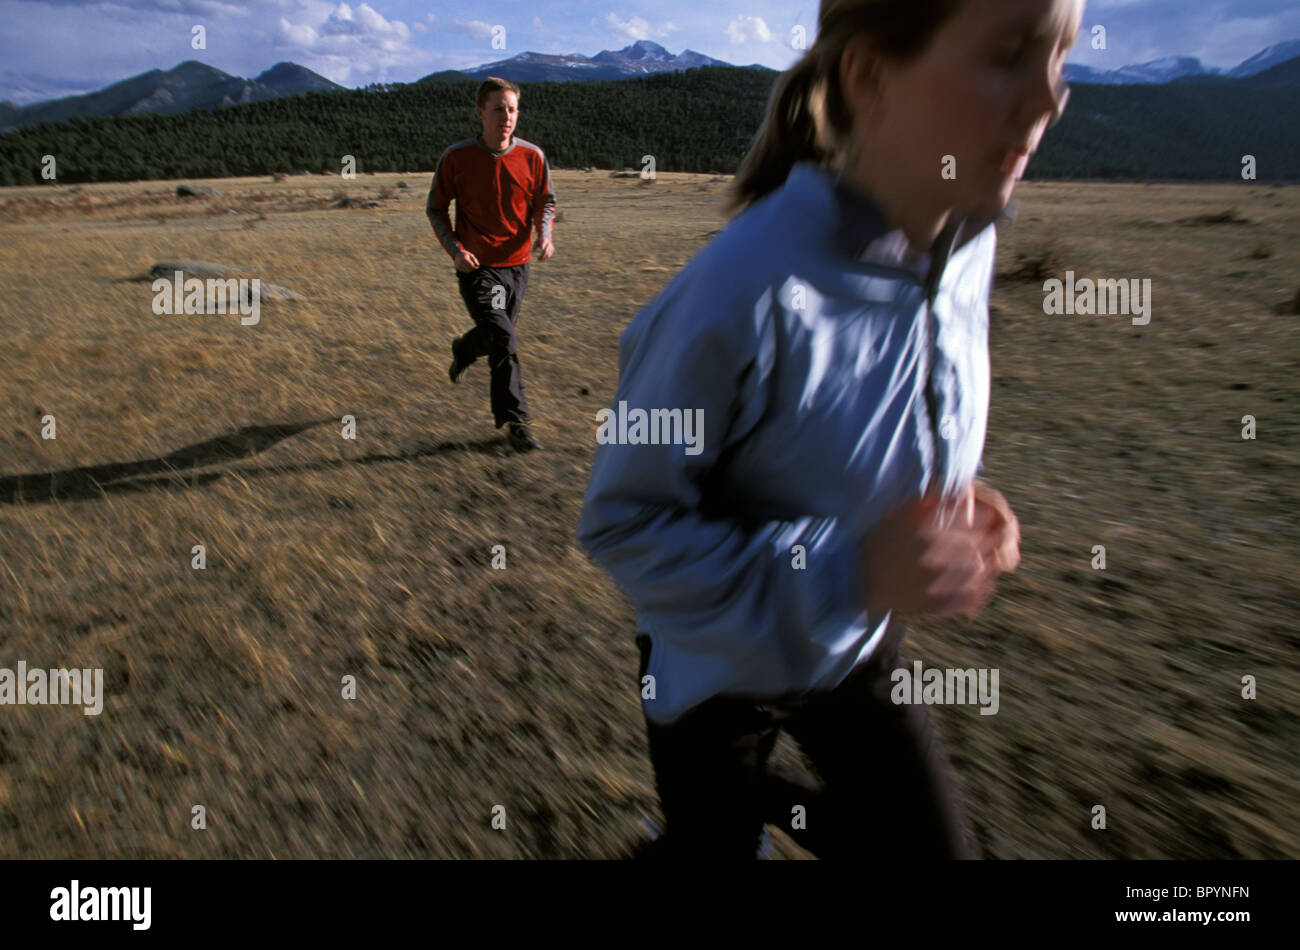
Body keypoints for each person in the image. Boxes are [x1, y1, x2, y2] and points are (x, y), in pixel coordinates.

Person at [577, 0, 1079, 859]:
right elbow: (625, 527)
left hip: (855, 651)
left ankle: (744, 808)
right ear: (871, 76)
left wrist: (957, 501)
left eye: (1061, 58)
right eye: (1007, 55)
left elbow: (876, 421)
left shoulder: (969, 241)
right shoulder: (740, 290)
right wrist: (850, 571)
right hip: (715, 676)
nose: (1050, 98)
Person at [427, 77, 556, 452]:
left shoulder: (532, 156)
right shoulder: (456, 157)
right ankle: (517, 423)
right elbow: (436, 208)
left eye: (512, 109)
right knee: (503, 337)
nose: (507, 117)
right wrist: (454, 250)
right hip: (476, 267)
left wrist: (544, 234)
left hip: (517, 266)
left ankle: (465, 350)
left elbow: (544, 201)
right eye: (498, 109)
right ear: (480, 112)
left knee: (496, 338)